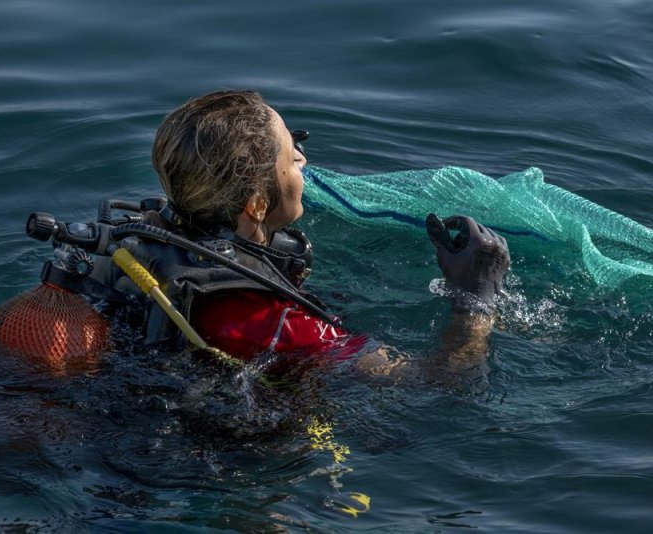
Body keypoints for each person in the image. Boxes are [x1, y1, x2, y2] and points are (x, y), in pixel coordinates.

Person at [92, 89, 510, 379]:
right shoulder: (279, 325)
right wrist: (476, 299)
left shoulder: (147, 243)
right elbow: (443, 380)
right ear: (255, 205)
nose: (303, 159)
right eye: (291, 158)